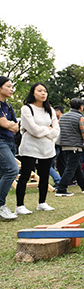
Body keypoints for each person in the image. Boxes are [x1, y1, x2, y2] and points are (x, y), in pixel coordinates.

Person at [15, 83, 60, 214]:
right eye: (39, 91)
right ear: (33, 93)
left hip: (47, 148)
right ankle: (20, 205)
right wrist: (48, 130)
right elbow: (32, 129)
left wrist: (47, 132)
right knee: (25, 175)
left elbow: (56, 130)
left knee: (45, 176)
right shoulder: (26, 108)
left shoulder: (50, 110)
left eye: (45, 91)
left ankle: (42, 202)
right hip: (30, 147)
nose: (43, 93)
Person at [54, 98, 84, 197]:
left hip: (64, 145)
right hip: (75, 145)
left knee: (75, 166)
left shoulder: (63, 117)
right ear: (81, 107)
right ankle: (61, 188)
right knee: (70, 168)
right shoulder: (80, 117)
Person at [0, 76, 20, 220]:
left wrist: (10, 125)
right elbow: (7, 125)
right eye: (8, 86)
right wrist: (10, 125)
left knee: (2, 174)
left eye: (12, 86)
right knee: (13, 169)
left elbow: (16, 127)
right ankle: (1, 205)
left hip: (10, 141)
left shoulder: (8, 106)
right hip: (1, 142)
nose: (11, 89)